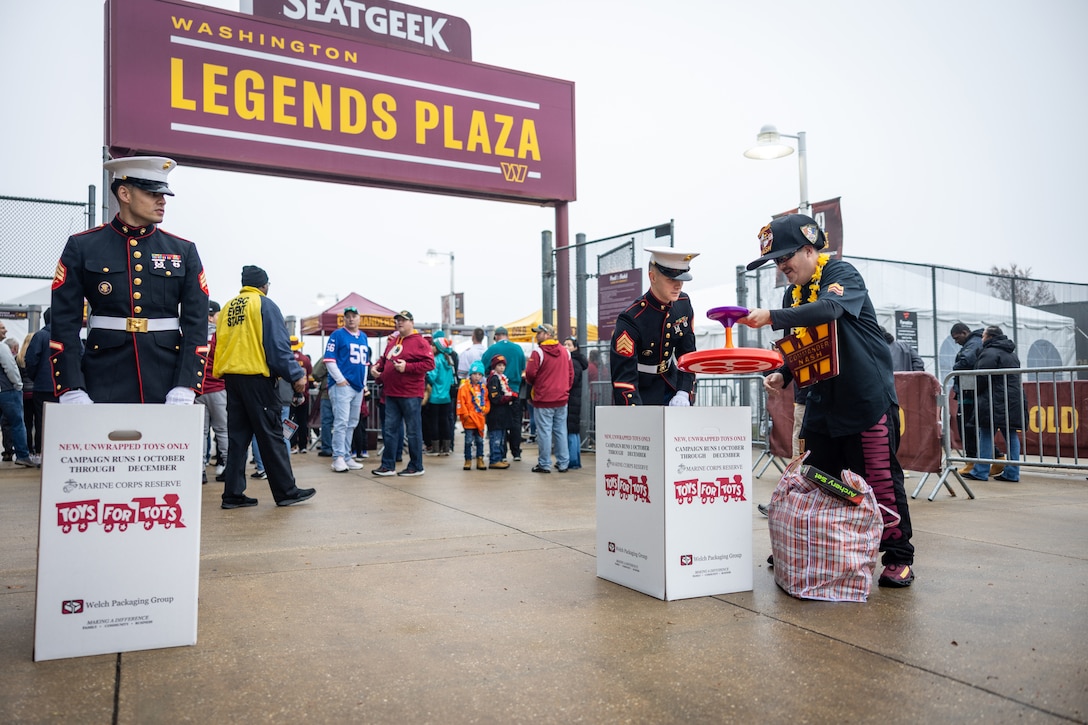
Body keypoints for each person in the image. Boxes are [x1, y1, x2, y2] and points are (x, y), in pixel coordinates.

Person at [738, 214, 915, 588]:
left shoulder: (841, 274)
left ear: (809, 249)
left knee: (879, 480)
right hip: (821, 403)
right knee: (816, 480)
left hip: (864, 401)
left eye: (786, 256)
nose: (781, 265)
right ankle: (824, 544)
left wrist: (771, 315)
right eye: (776, 261)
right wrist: (784, 373)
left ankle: (899, 557)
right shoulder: (793, 295)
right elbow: (802, 344)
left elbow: (830, 311)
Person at [51, 155, 208, 405]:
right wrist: (71, 386)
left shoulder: (183, 250)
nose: (162, 200)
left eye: (164, 194)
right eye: (151, 193)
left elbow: (196, 325)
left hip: (167, 381)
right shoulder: (83, 246)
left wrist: (186, 385)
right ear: (125, 193)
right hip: (102, 377)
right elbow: (64, 323)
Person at [213, 266, 315, 509]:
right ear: (264, 285)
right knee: (272, 436)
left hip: (232, 378)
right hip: (256, 379)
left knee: (238, 439)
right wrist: (295, 374)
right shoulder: (264, 304)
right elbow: (278, 346)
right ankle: (286, 491)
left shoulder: (227, 307)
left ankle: (233, 494)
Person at [609, 247, 699, 406]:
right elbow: (624, 377)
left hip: (671, 385)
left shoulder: (683, 304)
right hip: (641, 392)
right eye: (671, 279)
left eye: (681, 279)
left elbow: (687, 354)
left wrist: (684, 392)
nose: (678, 285)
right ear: (652, 277)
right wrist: (635, 413)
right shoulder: (631, 318)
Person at [371, 310, 434, 477]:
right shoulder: (394, 341)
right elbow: (384, 359)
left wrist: (408, 367)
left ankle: (416, 465)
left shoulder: (420, 342)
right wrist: (376, 367)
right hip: (391, 392)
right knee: (390, 430)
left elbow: (429, 364)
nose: (399, 323)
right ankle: (388, 465)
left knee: (413, 430)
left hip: (410, 393)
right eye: (398, 320)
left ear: (411, 323)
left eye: (403, 320)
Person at [964, 325, 1023, 483]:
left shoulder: (989, 353)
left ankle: (981, 471)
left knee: (985, 433)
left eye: (983, 336)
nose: (981, 339)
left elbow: (981, 377)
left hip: (993, 400)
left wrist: (973, 391)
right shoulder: (1012, 354)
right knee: (1010, 435)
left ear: (989, 337)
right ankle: (1013, 473)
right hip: (1012, 400)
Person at [324, 306, 370, 473]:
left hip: (357, 386)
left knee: (352, 423)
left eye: (354, 316)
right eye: (348, 316)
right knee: (341, 422)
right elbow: (329, 359)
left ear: (359, 318)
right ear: (344, 319)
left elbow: (365, 363)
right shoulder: (337, 335)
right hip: (342, 386)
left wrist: (363, 384)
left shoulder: (363, 336)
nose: (351, 319)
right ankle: (338, 457)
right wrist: (340, 379)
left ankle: (346, 455)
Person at [524, 323, 574, 474]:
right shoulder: (566, 352)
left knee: (544, 432)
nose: (537, 335)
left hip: (543, 398)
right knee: (560, 430)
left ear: (547, 334)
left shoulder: (538, 352)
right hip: (561, 398)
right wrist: (565, 389)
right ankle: (563, 462)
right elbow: (571, 374)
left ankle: (545, 463)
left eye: (539, 333)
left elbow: (530, 374)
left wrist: (537, 385)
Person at [482, 326, 527, 461]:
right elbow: (523, 368)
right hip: (515, 390)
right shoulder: (518, 349)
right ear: (507, 335)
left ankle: (502, 453)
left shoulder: (492, 349)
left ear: (496, 336)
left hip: (498, 394)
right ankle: (516, 452)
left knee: (499, 424)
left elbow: (484, 368)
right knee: (515, 422)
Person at [197, 301, 229, 483]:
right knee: (223, 430)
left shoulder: (194, 333)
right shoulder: (221, 335)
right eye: (217, 314)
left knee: (200, 432)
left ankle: (200, 470)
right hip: (218, 387)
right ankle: (227, 468)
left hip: (198, 389)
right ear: (210, 316)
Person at [951, 322, 985, 472]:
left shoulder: (973, 343)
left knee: (968, 426)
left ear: (965, 332)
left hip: (969, 391)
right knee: (972, 427)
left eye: (957, 337)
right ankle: (992, 459)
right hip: (968, 390)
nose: (956, 341)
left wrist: (956, 366)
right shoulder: (975, 342)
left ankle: (973, 461)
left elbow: (965, 362)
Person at [23, 309, 56, 462]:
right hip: (64, 388)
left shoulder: (40, 336)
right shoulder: (68, 335)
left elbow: (30, 360)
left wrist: (36, 377)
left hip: (43, 386)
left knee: (41, 422)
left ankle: (41, 453)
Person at [0, 327, 34, 468]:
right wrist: (18, 384)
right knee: (17, 423)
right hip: (7, 390)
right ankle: (23, 456)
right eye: (1, 328)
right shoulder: (1, 347)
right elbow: (10, 366)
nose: (6, 330)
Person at [424, 330, 456, 456]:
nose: (431, 347)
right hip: (446, 397)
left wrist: (426, 374)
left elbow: (432, 377)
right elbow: (452, 379)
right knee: (445, 422)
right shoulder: (449, 361)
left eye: (433, 345)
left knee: (434, 422)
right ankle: (446, 448)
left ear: (437, 348)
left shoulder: (436, 360)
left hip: (435, 396)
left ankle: (436, 448)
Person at [484, 354, 516, 469]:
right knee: (496, 437)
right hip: (495, 414)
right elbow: (495, 398)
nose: (501, 368)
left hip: (502, 414)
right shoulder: (494, 379)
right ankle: (495, 459)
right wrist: (507, 398)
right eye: (499, 365)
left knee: (502, 437)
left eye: (503, 365)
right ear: (494, 366)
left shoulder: (502, 378)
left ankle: (500, 457)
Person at [457, 361, 490, 470]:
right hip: (469, 421)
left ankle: (480, 459)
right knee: (468, 441)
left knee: (480, 441)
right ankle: (468, 460)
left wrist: (485, 410)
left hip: (479, 420)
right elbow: (461, 401)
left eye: (480, 374)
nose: (477, 376)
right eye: (475, 374)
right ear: (470, 374)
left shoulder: (484, 388)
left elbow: (486, 401)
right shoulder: (464, 387)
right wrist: (466, 415)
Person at [563, 337, 589, 470]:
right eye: (564, 344)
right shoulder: (577, 361)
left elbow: (571, 381)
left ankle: (572, 460)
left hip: (571, 399)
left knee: (570, 430)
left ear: (575, 348)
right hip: (574, 399)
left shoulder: (572, 362)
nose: (565, 346)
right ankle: (574, 459)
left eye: (569, 344)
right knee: (573, 430)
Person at [289, 334, 313, 455]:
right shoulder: (305, 359)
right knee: (303, 421)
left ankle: (291, 445)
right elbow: (310, 375)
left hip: (289, 394)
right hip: (304, 394)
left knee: (289, 421)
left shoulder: (287, 358)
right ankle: (303, 445)